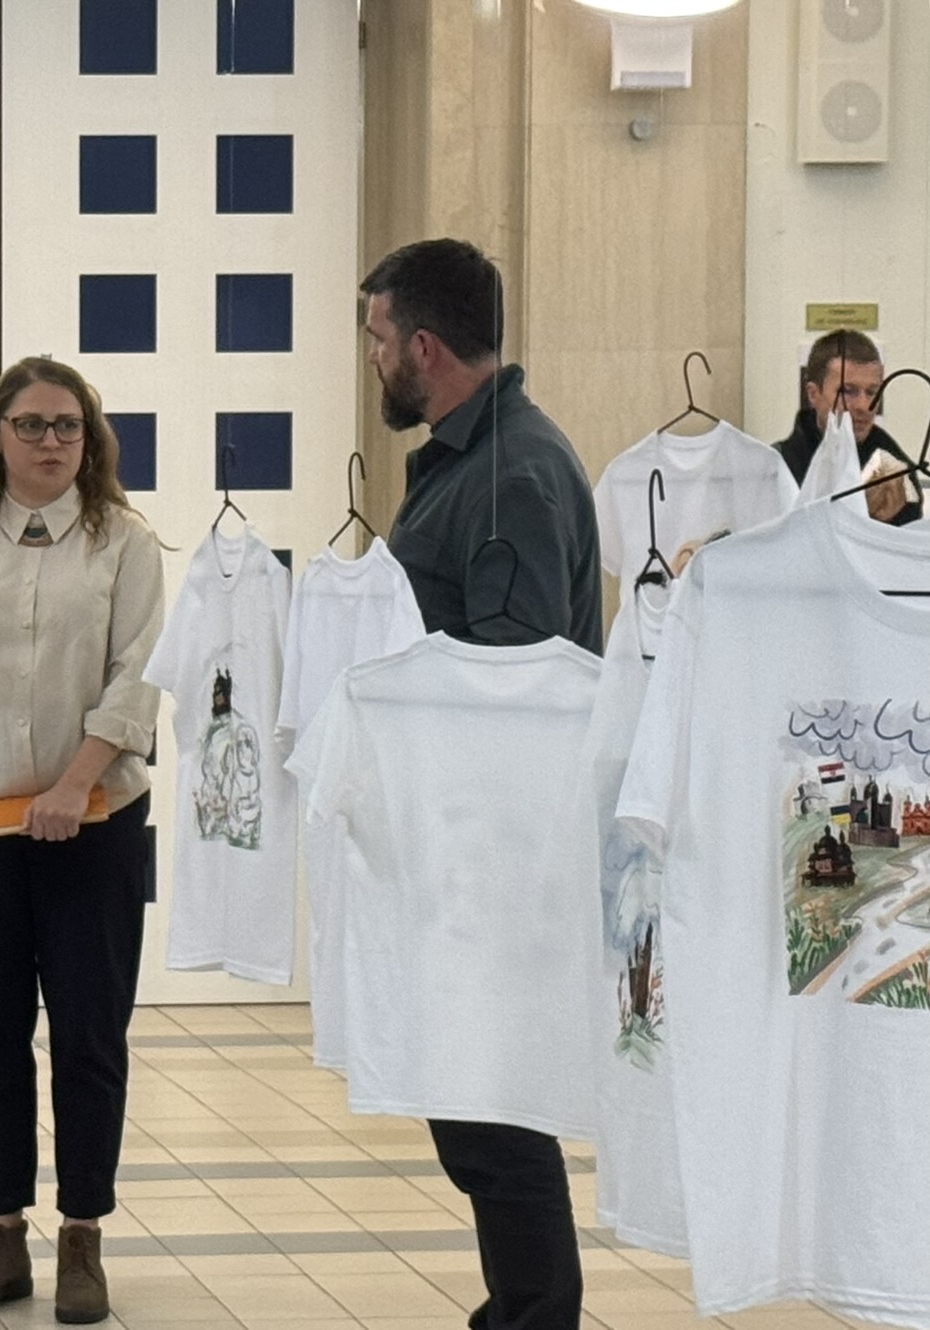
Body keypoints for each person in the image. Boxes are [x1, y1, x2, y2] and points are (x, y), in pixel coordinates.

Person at [0, 357, 165, 1325]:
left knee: (90, 1035)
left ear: (90, 439)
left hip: (93, 824)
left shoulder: (125, 542)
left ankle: (82, 1233)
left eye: (68, 426)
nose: (51, 441)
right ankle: (0, 1232)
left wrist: (74, 782)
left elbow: (139, 678)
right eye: (31, 424)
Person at [361, 237, 597, 1330]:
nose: (372, 360)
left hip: (497, 852)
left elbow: (514, 679)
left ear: (423, 347)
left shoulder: (511, 476)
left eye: (377, 339)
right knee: (475, 1111)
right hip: (462, 841)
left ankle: (536, 1315)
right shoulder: (475, 461)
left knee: (494, 1118)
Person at [774, 329, 920, 526]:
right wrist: (858, 514)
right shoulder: (777, 468)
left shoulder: (897, 473)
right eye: (847, 391)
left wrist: (889, 520)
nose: (864, 406)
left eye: (872, 392)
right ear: (813, 394)